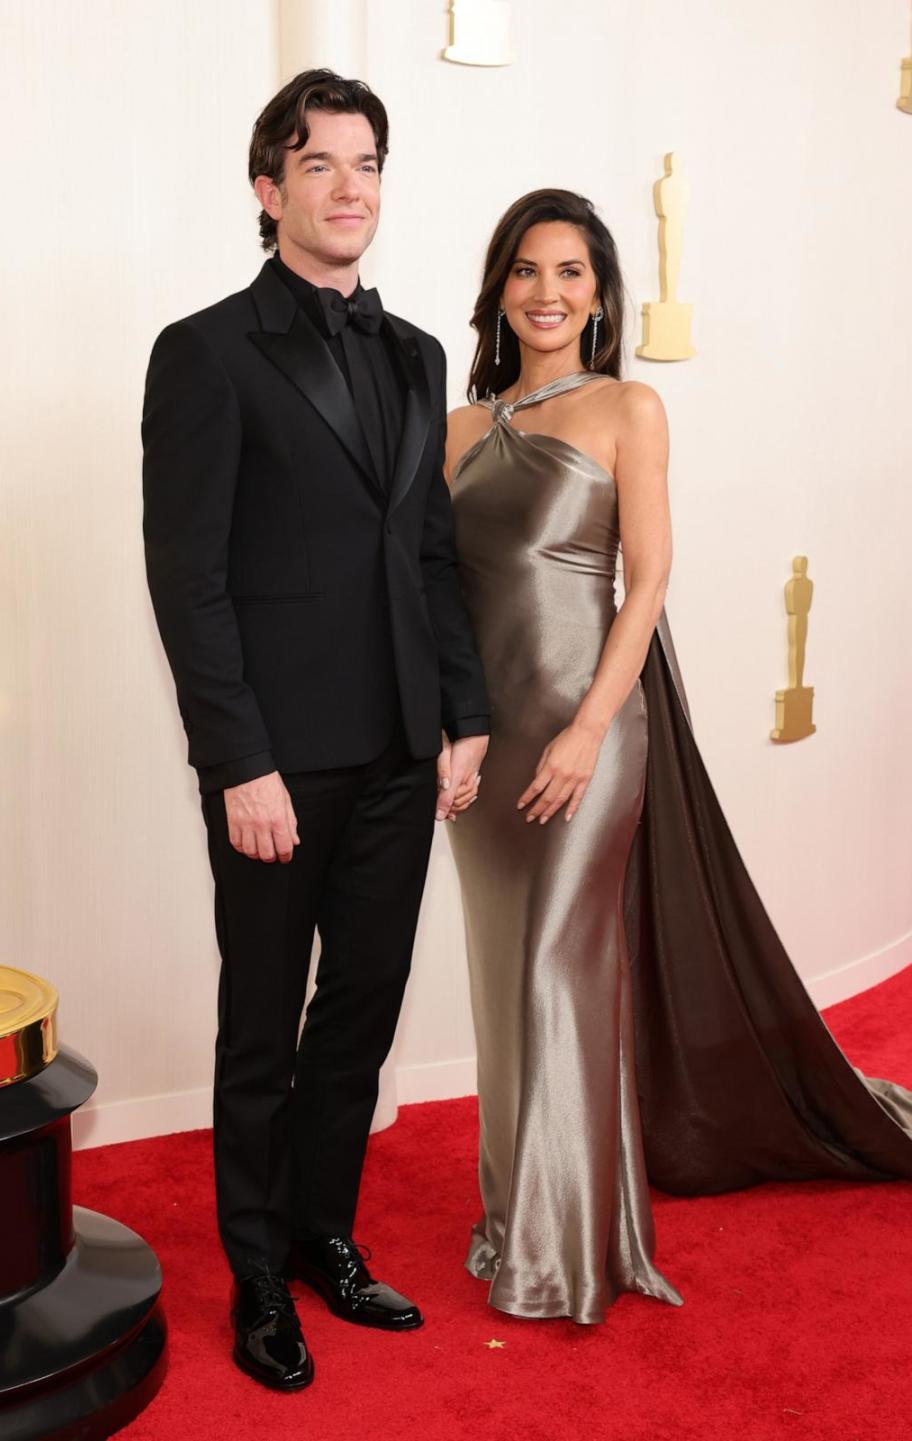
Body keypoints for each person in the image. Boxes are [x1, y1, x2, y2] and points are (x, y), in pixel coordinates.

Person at [444, 188, 912, 1325]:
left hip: (587, 725)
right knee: (504, 978)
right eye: (526, 270)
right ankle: (515, 1211)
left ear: (601, 293)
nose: (547, 293)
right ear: (498, 289)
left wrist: (591, 726)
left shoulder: (628, 409)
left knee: (559, 969)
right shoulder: (455, 426)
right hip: (483, 746)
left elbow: (646, 580)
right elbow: (433, 593)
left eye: (571, 272)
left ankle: (567, 1250)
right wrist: (447, 732)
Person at [142, 69, 489, 1390]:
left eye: (368, 165)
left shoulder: (416, 355)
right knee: (261, 1025)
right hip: (278, 766)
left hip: (406, 749)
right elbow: (191, 580)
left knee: (361, 1010)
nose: (351, 190)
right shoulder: (207, 352)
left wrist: (463, 717)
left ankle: (321, 1234)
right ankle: (252, 1282)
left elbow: (432, 555)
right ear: (267, 189)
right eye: (322, 165)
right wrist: (237, 760)